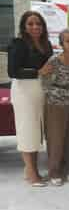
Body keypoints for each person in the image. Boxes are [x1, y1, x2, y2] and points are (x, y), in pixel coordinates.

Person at [7, 11, 53, 187]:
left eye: (38, 24)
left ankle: (30, 170)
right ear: (24, 27)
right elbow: (13, 71)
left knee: (36, 133)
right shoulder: (17, 44)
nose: (35, 27)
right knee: (27, 131)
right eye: (31, 24)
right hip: (24, 91)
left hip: (40, 90)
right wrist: (38, 72)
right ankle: (32, 173)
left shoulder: (45, 43)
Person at [42, 29, 69, 186]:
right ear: (61, 44)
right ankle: (54, 170)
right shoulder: (54, 61)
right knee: (56, 138)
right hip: (56, 105)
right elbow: (45, 84)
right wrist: (65, 94)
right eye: (68, 41)